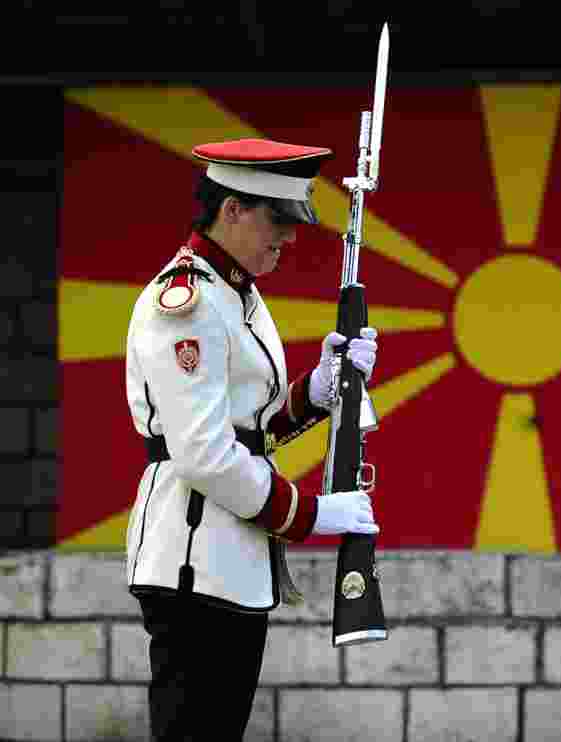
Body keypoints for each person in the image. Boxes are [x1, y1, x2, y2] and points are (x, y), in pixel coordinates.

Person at [124, 138, 381, 741]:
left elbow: (253, 425)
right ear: (232, 209)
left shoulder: (235, 292)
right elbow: (203, 454)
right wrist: (312, 513)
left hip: (231, 559)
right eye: (276, 219)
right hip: (193, 562)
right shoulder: (185, 303)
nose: (287, 238)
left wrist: (317, 389)